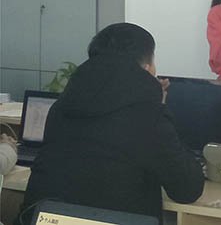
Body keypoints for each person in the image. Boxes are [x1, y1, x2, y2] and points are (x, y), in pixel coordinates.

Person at [19, 23, 204, 225]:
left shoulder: (60, 108)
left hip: (45, 218)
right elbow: (186, 190)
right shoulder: (148, 115)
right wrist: (158, 106)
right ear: (147, 68)